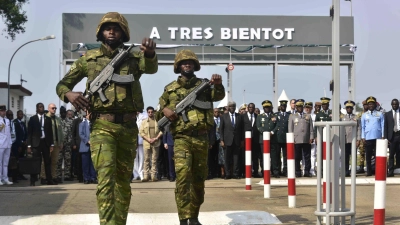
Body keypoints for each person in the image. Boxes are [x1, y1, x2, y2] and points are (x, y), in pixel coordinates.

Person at [56, 12, 158, 224]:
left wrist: (149, 54)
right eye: (107, 28)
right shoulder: (88, 59)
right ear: (101, 32)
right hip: (102, 125)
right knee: (105, 180)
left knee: (123, 181)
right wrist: (69, 94)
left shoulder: (133, 57)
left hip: (128, 127)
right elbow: (62, 85)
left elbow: (150, 68)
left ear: (123, 32)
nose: (111, 31)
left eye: (116, 28)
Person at [156, 49, 224, 225]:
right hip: (181, 139)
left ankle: (193, 216)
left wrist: (218, 84)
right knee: (183, 177)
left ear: (195, 65)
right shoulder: (170, 90)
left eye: (190, 62)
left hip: (201, 139)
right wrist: (164, 110)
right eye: (184, 62)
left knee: (199, 179)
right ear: (178, 66)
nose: (187, 64)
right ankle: (184, 217)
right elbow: (158, 114)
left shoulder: (204, 86)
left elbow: (218, 96)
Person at [27, 103, 55, 186]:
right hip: (36, 144)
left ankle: (49, 180)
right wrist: (29, 146)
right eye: (40, 107)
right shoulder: (32, 119)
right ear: (37, 109)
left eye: (42, 107)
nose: (41, 108)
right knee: (35, 162)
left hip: (45, 143)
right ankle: (33, 180)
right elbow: (29, 133)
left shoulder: (48, 119)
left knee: (47, 162)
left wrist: (52, 144)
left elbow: (50, 133)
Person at [288, 99, 314, 177]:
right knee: (297, 157)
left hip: (306, 139)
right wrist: (291, 139)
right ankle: (297, 172)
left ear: (303, 107)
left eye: (301, 106)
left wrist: (311, 137)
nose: (300, 108)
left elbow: (311, 128)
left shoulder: (308, 116)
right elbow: (290, 129)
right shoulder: (292, 116)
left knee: (307, 156)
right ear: (296, 107)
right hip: (297, 139)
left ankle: (307, 171)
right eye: (298, 106)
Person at [361, 96, 385, 176]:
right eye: (369, 104)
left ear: (375, 105)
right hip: (368, 137)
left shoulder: (380, 114)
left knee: (377, 155)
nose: (371, 105)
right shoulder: (364, 115)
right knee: (368, 155)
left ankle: (377, 170)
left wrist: (383, 135)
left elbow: (382, 125)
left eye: (372, 104)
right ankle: (369, 171)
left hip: (377, 137)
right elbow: (363, 127)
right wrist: (363, 137)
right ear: (367, 105)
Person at [220, 101, 243, 180]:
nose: (232, 108)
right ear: (228, 107)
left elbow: (241, 129)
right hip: (227, 141)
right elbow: (221, 129)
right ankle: (228, 174)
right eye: (230, 106)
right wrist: (222, 140)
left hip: (236, 141)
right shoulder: (224, 116)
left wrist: (242, 140)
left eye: (233, 106)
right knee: (227, 158)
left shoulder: (239, 116)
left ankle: (236, 174)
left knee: (236, 158)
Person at [256, 100, 279, 177]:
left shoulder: (274, 116)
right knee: (264, 157)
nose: (267, 109)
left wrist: (272, 132)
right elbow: (258, 127)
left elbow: (277, 126)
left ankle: (275, 171)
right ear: (263, 108)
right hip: (263, 139)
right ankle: (264, 171)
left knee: (274, 156)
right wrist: (265, 133)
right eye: (265, 107)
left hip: (272, 139)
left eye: (268, 107)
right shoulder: (260, 117)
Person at [139, 106, 162, 182]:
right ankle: (146, 176)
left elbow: (162, 130)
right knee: (146, 159)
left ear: (154, 112)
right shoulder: (144, 122)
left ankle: (153, 176)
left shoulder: (158, 121)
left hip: (156, 142)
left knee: (154, 159)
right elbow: (141, 132)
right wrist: (148, 139)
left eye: (152, 112)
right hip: (147, 143)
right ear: (147, 112)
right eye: (149, 112)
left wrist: (156, 138)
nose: (150, 113)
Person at [340, 101, 360, 177]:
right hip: (345, 140)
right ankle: (346, 171)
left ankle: (353, 172)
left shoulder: (356, 117)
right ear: (345, 108)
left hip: (353, 140)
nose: (349, 109)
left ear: (352, 108)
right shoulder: (342, 118)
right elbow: (340, 129)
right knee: (345, 157)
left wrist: (358, 139)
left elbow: (359, 128)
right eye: (347, 107)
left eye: (350, 108)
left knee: (353, 157)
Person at [241, 103, 260, 178]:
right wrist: (242, 140)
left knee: (255, 157)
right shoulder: (243, 116)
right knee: (245, 157)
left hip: (255, 140)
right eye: (250, 107)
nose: (251, 109)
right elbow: (241, 128)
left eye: (252, 107)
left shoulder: (257, 116)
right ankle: (245, 172)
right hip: (246, 140)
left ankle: (255, 172)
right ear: (247, 108)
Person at [79, 110, 97, 184]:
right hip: (85, 146)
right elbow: (81, 134)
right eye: (89, 114)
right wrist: (87, 141)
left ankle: (93, 177)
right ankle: (86, 178)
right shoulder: (82, 124)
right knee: (85, 164)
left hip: (93, 146)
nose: (90, 115)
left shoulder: (94, 124)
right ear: (86, 115)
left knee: (93, 163)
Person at [384, 99, 400, 177]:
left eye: (396, 104)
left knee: (399, 154)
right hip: (392, 137)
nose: (395, 106)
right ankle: (390, 171)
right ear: (391, 105)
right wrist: (386, 138)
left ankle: (398, 168)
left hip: (399, 135)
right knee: (391, 155)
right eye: (393, 104)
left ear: (398, 104)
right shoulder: (387, 114)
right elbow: (385, 127)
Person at [274, 100, 290, 176]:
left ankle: (285, 170)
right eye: (282, 106)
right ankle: (277, 171)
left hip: (286, 138)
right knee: (277, 155)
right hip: (277, 138)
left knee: (286, 156)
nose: (283, 107)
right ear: (280, 107)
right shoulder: (276, 115)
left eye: (284, 106)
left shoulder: (289, 115)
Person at [0, 105, 13, 185]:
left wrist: (10, 142)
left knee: (5, 163)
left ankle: (5, 178)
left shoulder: (7, 120)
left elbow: (9, 133)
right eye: (2, 111)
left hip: (8, 143)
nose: (3, 112)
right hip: (0, 144)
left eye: (4, 111)